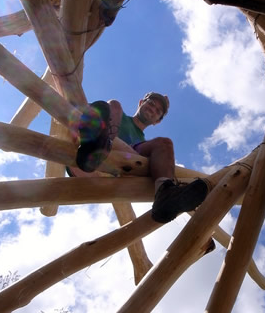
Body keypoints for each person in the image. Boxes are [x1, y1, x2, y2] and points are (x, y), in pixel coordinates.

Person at [70, 92, 208, 223]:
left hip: (112, 176)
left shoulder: (146, 145)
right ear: (141, 102)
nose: (153, 109)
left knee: (164, 144)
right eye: (152, 103)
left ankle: (165, 194)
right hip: (81, 161)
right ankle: (95, 146)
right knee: (114, 104)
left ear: (157, 122)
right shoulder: (117, 115)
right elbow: (80, 109)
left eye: (158, 111)